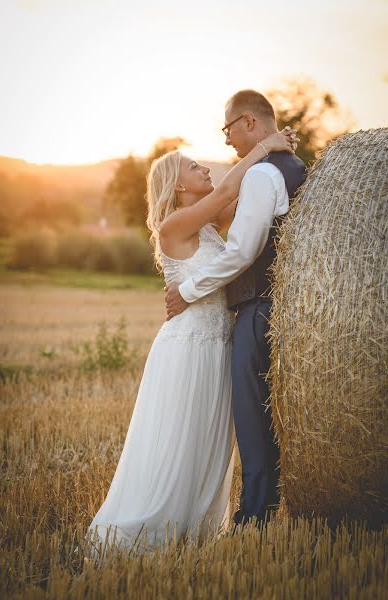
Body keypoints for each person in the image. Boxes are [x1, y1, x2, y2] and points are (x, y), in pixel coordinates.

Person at [84, 125, 298, 559]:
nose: (205, 168)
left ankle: (193, 533)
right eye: (194, 166)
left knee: (209, 442)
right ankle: (151, 531)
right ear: (178, 184)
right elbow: (224, 198)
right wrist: (264, 145)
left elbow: (251, 208)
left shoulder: (212, 225)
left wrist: (283, 157)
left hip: (219, 347)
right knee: (180, 440)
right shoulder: (173, 226)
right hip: (188, 348)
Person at [165, 89, 307, 528]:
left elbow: (242, 250)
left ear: (248, 121)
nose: (225, 142)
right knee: (255, 419)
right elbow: (227, 194)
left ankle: (255, 517)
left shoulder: (264, 176)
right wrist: (268, 145)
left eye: (227, 129)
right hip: (267, 310)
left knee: (252, 422)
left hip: (256, 310)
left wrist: (187, 290)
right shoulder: (292, 168)